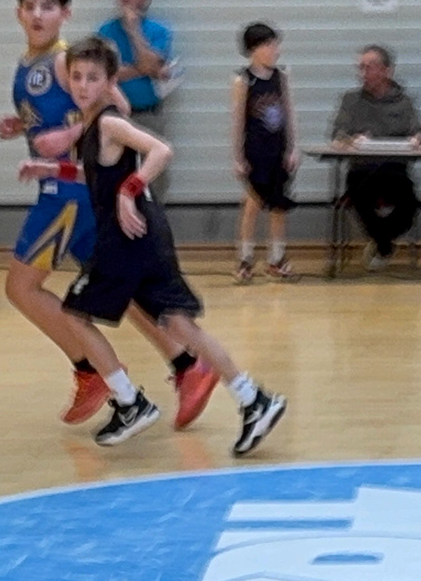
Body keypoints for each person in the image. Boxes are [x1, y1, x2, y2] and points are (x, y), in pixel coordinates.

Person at [37, 35, 286, 453]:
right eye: (76, 77)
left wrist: (130, 188)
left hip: (127, 239)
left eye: (93, 78)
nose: (82, 85)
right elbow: (98, 178)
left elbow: (160, 150)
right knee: (179, 325)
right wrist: (49, 170)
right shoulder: (90, 127)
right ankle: (253, 399)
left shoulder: (110, 123)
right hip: (145, 238)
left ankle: (130, 402)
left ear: (110, 82)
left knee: (75, 316)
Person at [0, 0, 216, 430]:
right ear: (18, 13)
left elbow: (120, 107)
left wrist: (71, 135)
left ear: (65, 13)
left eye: (47, 6)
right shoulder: (28, 62)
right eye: (30, 6)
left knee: (22, 287)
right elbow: (60, 113)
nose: (38, 14)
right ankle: (186, 365)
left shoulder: (63, 60)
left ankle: (92, 371)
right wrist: (23, 125)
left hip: (69, 194)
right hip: (75, 189)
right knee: (121, 291)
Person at [330, 44, 421, 269]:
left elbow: (418, 133)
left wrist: (418, 139)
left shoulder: (404, 101)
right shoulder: (350, 100)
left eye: (369, 67)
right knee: (359, 196)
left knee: (410, 203)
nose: (364, 73)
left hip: (394, 170)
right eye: (361, 67)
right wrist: (351, 140)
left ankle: (381, 241)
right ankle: (385, 245)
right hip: (362, 170)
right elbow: (337, 135)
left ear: (386, 71)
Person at [95, 0, 177, 197]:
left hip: (148, 113)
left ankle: (153, 214)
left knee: (155, 172)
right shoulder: (105, 30)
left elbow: (153, 63)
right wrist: (143, 69)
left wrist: (133, 30)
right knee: (115, 167)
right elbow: (106, 73)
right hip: (115, 114)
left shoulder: (159, 31)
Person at [230, 22, 299, 284]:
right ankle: (245, 258)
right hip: (255, 151)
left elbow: (290, 115)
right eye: (269, 45)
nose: (275, 50)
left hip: (278, 150)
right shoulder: (243, 80)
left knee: (278, 205)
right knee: (253, 203)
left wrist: (293, 148)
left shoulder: (282, 77)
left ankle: (276, 258)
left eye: (275, 44)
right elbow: (238, 121)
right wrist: (238, 157)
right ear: (253, 49)